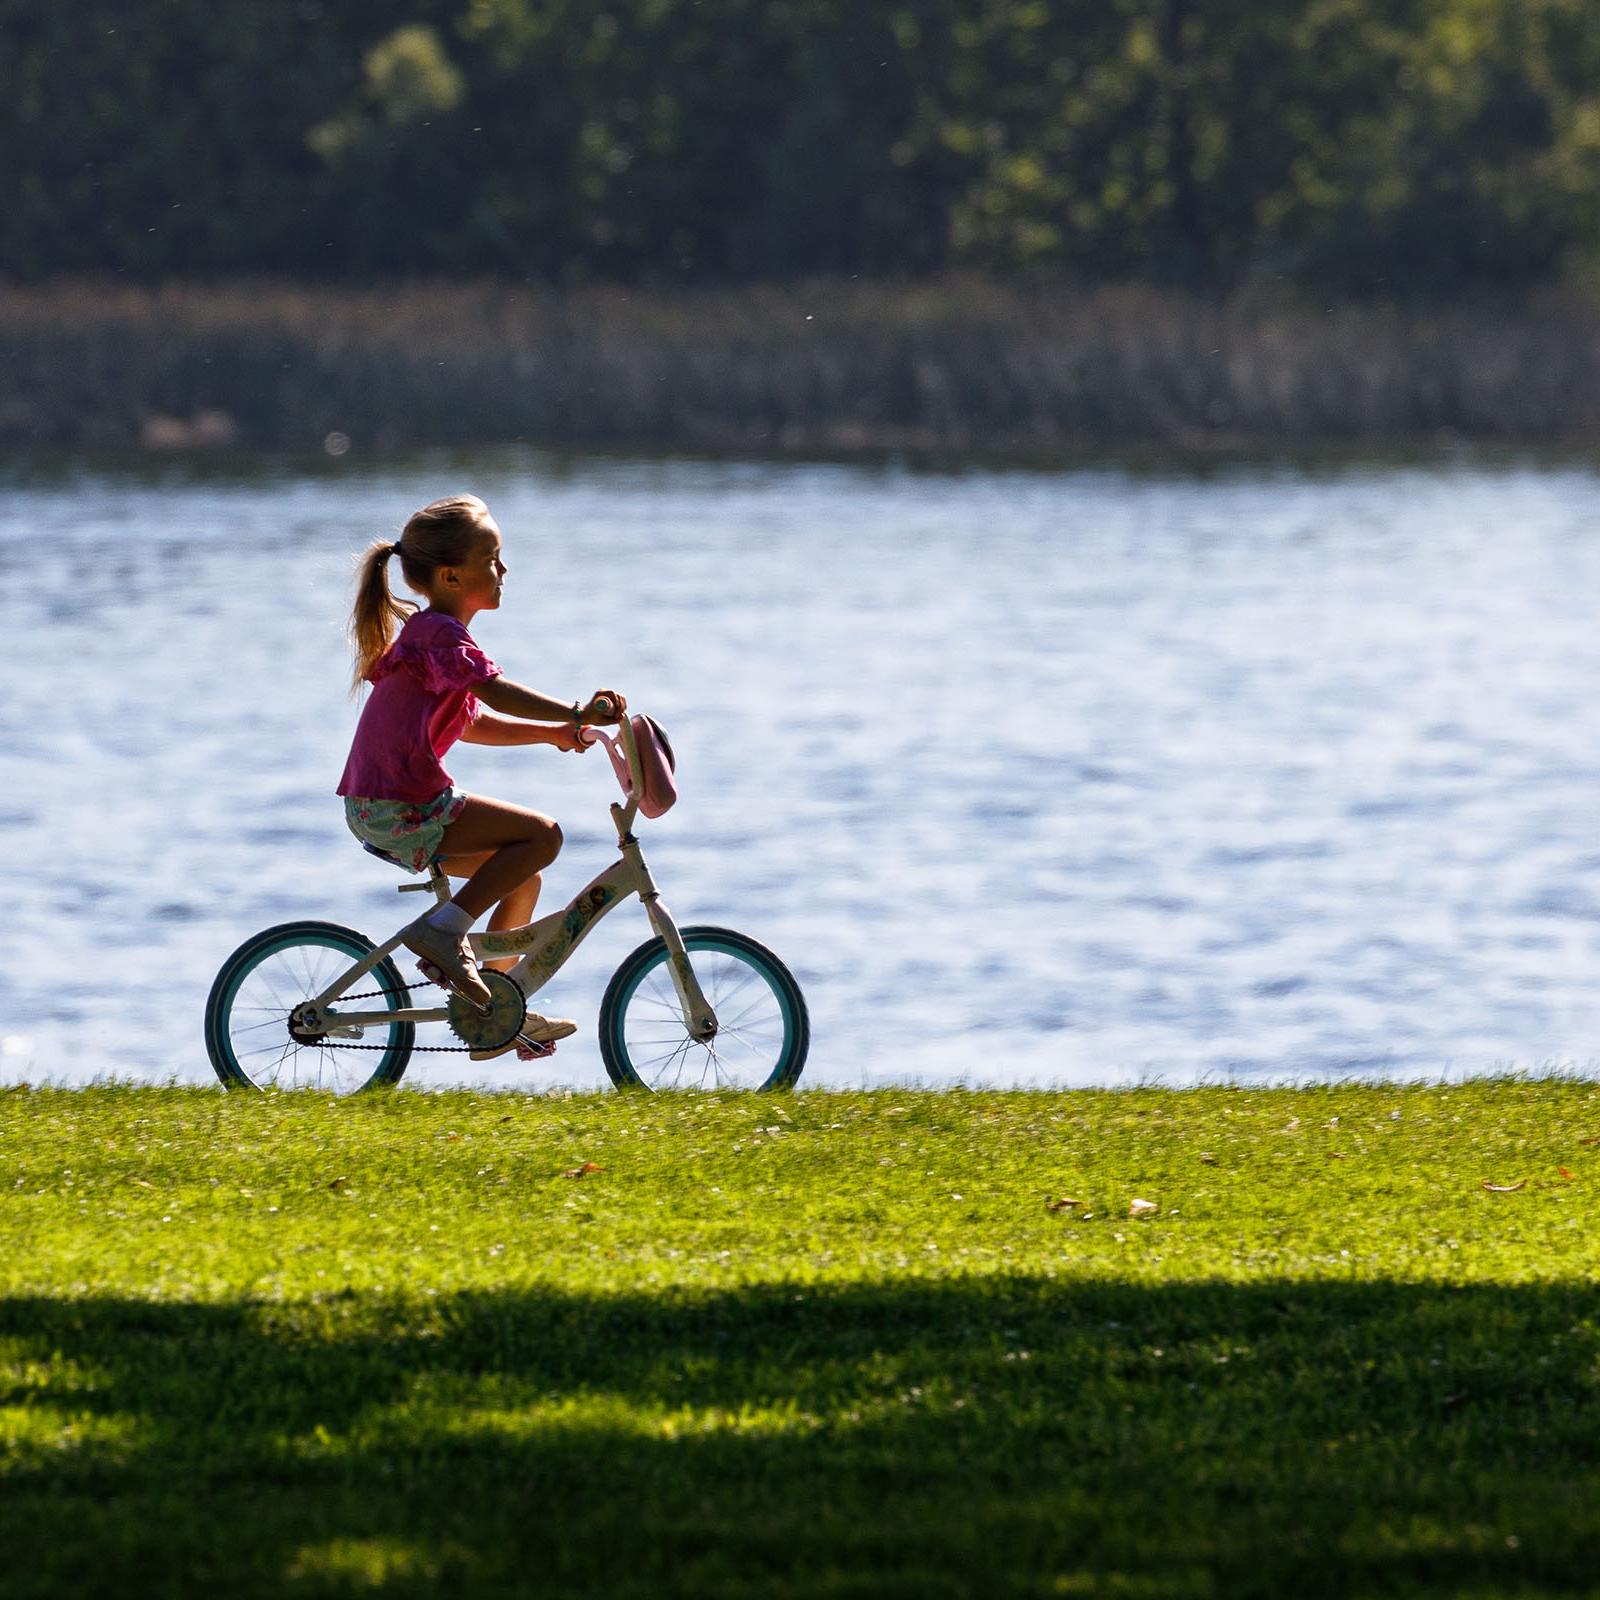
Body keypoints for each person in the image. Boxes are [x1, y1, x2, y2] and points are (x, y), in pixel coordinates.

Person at [338, 493, 625, 1060]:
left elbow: (473, 722)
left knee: (523, 876)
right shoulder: (441, 635)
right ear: (450, 575)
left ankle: (497, 1009)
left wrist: (551, 735)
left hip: (386, 804)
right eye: (491, 559)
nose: (504, 569)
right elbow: (493, 691)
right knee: (543, 837)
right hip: (401, 804)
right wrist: (574, 714)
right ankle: (444, 935)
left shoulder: (434, 640)